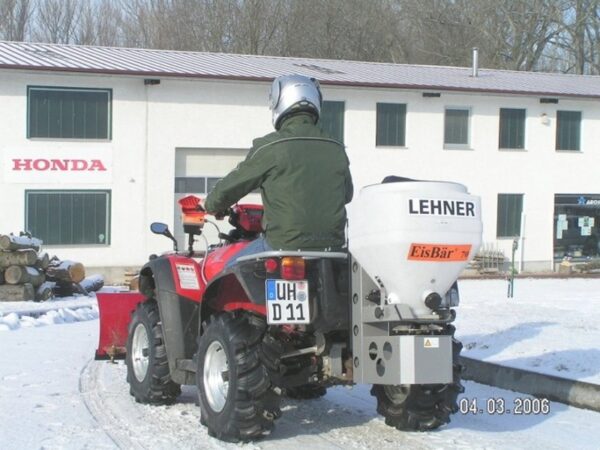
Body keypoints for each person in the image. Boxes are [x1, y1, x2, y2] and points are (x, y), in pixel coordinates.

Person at [204, 74, 353, 264]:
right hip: (332, 250)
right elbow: (347, 194)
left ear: (279, 102)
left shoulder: (270, 146)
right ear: (315, 102)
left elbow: (234, 184)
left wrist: (209, 204)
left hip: (281, 246)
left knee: (224, 271)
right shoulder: (336, 147)